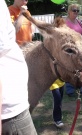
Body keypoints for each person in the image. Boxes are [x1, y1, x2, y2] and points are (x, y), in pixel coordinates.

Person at [0, 0, 37, 134]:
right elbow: (14, 29)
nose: (25, 1)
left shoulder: (27, 12)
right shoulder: (10, 10)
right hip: (10, 112)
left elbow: (30, 30)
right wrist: (21, 14)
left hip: (27, 51)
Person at [64, 3, 82, 97]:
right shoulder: (65, 22)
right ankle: (70, 89)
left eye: (77, 10)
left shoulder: (78, 22)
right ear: (69, 11)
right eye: (74, 10)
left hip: (80, 49)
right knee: (71, 69)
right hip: (70, 50)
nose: (76, 12)